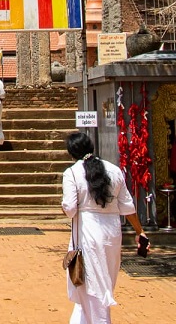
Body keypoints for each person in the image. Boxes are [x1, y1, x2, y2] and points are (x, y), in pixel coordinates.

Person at [62, 131, 148, 324]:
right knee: (101, 285)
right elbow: (128, 206)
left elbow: (69, 208)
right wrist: (139, 231)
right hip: (112, 234)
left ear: (71, 153)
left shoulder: (72, 173)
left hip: (88, 235)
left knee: (95, 290)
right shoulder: (114, 170)